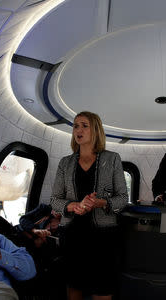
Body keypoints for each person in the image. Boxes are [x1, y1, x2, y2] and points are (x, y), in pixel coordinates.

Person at [50, 111, 128, 300]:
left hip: (103, 238)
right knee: (74, 290)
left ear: (96, 130)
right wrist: (74, 206)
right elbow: (55, 200)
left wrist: (101, 203)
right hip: (72, 236)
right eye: (76, 126)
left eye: (84, 125)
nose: (79, 129)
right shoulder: (65, 163)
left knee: (102, 292)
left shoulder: (112, 159)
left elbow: (123, 198)